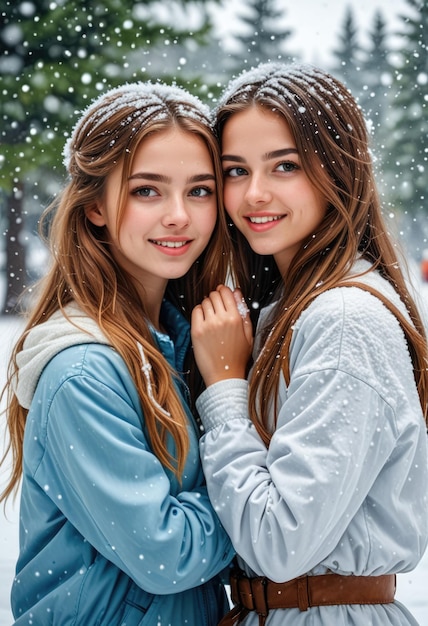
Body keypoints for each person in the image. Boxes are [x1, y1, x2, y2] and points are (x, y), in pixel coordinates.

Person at [191, 62, 428, 625]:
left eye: (286, 166)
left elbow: (281, 542)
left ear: (338, 171)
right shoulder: (288, 309)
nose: (255, 194)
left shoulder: (343, 320)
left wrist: (225, 387)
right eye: (235, 171)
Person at [0, 81, 236, 625]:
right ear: (95, 208)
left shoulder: (184, 346)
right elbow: (167, 554)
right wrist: (262, 502)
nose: (179, 215)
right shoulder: (83, 371)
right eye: (147, 190)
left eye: (199, 190)